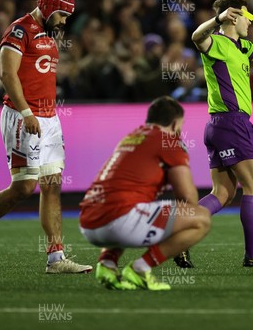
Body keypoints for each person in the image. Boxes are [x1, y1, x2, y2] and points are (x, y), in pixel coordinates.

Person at [0, 0, 92, 275]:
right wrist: (27, 111)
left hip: (49, 118)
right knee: (23, 187)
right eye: (61, 15)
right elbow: (7, 74)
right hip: (23, 116)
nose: (64, 22)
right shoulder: (20, 31)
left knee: (52, 185)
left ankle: (56, 258)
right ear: (46, 7)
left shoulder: (48, 35)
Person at [182, 0, 253, 268]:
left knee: (223, 193)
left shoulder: (241, 46)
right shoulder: (216, 43)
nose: (249, 22)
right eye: (246, 17)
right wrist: (217, 20)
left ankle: (180, 239)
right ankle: (252, 254)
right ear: (232, 17)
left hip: (219, 126)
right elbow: (197, 37)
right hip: (232, 123)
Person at [79, 96, 211, 290]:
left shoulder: (133, 136)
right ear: (175, 123)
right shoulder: (169, 141)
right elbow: (188, 198)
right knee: (201, 218)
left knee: (133, 203)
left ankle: (107, 264)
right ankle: (141, 268)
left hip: (88, 222)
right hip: (119, 221)